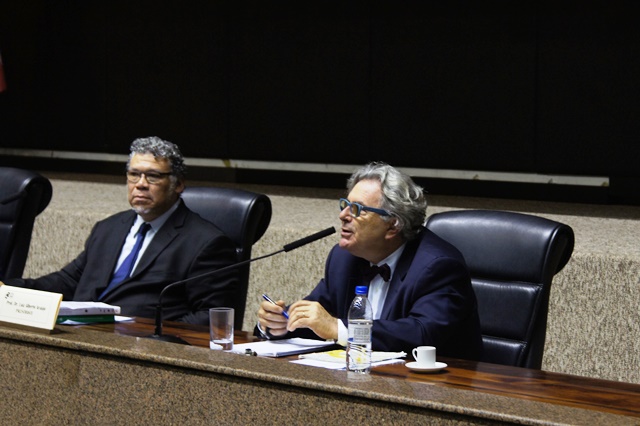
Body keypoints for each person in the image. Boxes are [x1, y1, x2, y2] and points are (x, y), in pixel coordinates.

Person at [257, 162, 483, 360]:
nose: (343, 215)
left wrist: (339, 328)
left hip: (439, 393)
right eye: (344, 204)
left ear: (393, 225)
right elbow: (318, 321)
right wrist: (281, 324)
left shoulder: (437, 265)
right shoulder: (343, 258)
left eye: (356, 209)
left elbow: (421, 334)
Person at [2, 137, 238, 325]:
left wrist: (153, 334)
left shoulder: (206, 242)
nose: (141, 183)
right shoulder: (108, 228)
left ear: (178, 184)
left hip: (140, 350)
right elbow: (68, 280)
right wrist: (10, 289)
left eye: (153, 176)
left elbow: (211, 317)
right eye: (134, 174)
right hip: (81, 339)